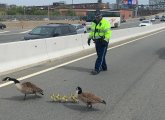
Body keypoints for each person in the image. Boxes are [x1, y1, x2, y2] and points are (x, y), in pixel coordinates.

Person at [88, 10, 112, 75]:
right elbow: (92, 32)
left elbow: (108, 33)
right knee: (100, 55)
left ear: (101, 16)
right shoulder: (94, 22)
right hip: (97, 42)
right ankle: (104, 67)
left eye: (98, 16)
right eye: (96, 16)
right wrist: (89, 38)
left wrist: (105, 40)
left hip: (103, 41)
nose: (97, 18)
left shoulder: (105, 23)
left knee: (100, 56)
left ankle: (97, 69)